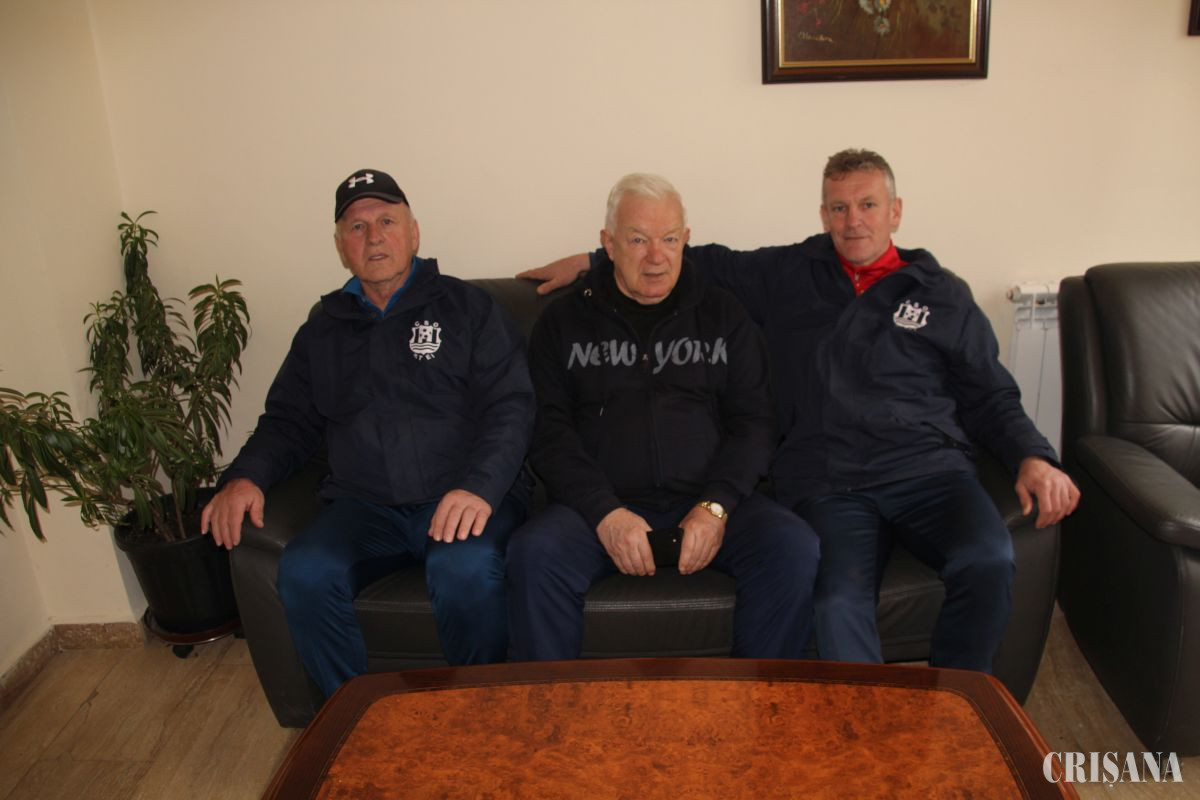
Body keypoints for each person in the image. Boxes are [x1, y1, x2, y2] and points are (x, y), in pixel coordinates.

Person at [519, 150, 1080, 673]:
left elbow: (988, 391)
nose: (853, 221)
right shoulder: (789, 273)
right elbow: (686, 260)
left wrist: (1031, 455)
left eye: (868, 205)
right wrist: (595, 262)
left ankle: (957, 710)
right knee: (837, 601)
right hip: (832, 482)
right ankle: (860, 726)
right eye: (839, 207)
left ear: (895, 212)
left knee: (988, 559)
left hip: (928, 471)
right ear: (823, 213)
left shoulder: (942, 293)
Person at [202, 169, 535, 697]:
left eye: (386, 221)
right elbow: (288, 421)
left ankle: (478, 711)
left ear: (414, 232)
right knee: (305, 571)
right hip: (365, 508)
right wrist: (245, 477)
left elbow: (511, 405)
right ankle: (355, 718)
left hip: (461, 496)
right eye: (357, 227)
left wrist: (479, 486)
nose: (373, 236)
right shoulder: (322, 330)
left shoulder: (469, 309)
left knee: (465, 571)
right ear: (341, 246)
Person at [506, 173, 820, 661]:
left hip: (709, 502)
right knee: (534, 554)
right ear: (608, 244)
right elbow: (548, 432)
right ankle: (553, 708)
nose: (656, 256)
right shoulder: (562, 322)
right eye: (638, 240)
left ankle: (759, 703)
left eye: (669, 239)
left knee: (793, 546)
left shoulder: (723, 313)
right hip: (601, 509)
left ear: (686, 240)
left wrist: (715, 507)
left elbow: (755, 422)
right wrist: (604, 513)